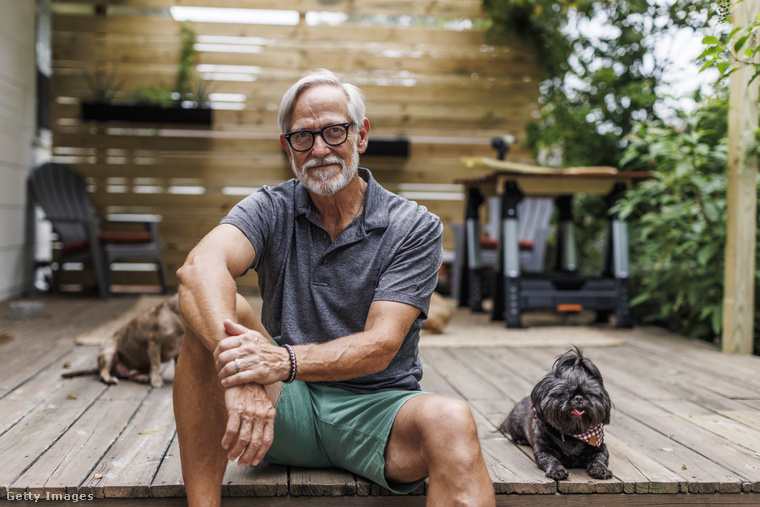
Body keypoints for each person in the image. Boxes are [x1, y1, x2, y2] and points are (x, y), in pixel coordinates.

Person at [173, 69, 495, 507]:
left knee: (452, 418)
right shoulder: (272, 207)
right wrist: (246, 375)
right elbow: (198, 268)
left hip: (378, 412)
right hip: (284, 409)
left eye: (334, 131)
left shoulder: (413, 226)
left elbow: (381, 345)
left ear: (361, 135)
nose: (320, 149)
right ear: (287, 147)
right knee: (211, 304)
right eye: (303, 137)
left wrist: (278, 360)